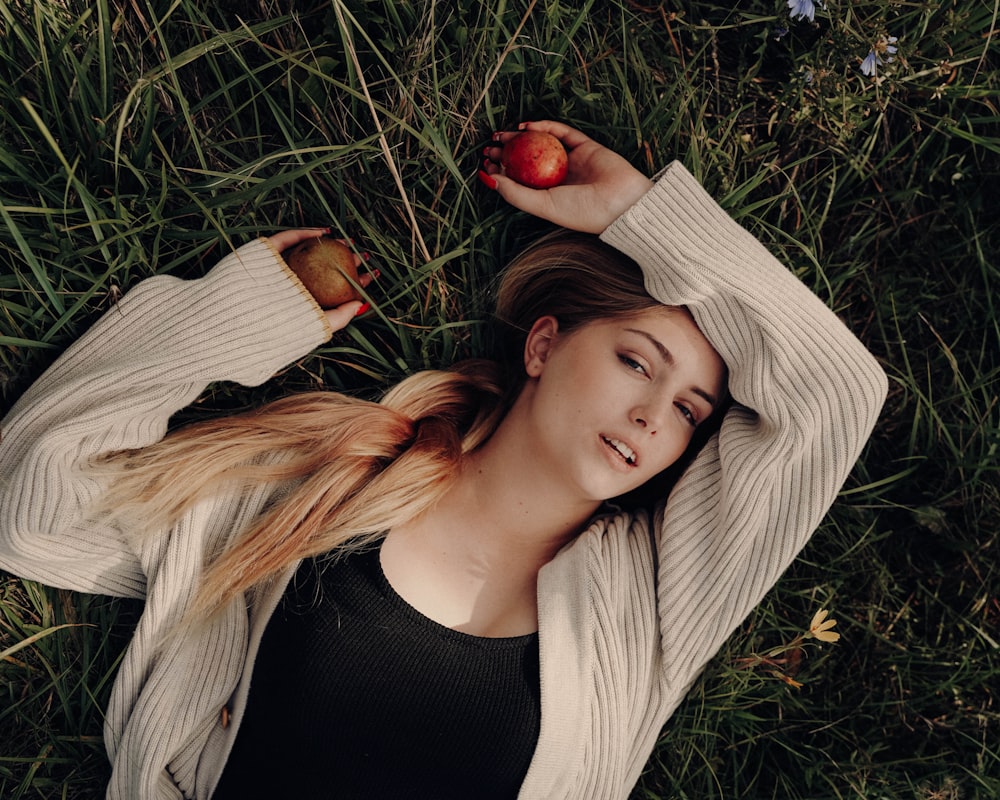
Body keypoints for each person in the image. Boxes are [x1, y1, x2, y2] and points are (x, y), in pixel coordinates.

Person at [0, 121, 887, 799]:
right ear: (542, 345)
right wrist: (236, 323)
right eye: (634, 362)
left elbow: (837, 394)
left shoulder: (650, 612)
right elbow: (34, 507)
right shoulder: (322, 486)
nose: (655, 416)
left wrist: (645, 218)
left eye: (691, 411)